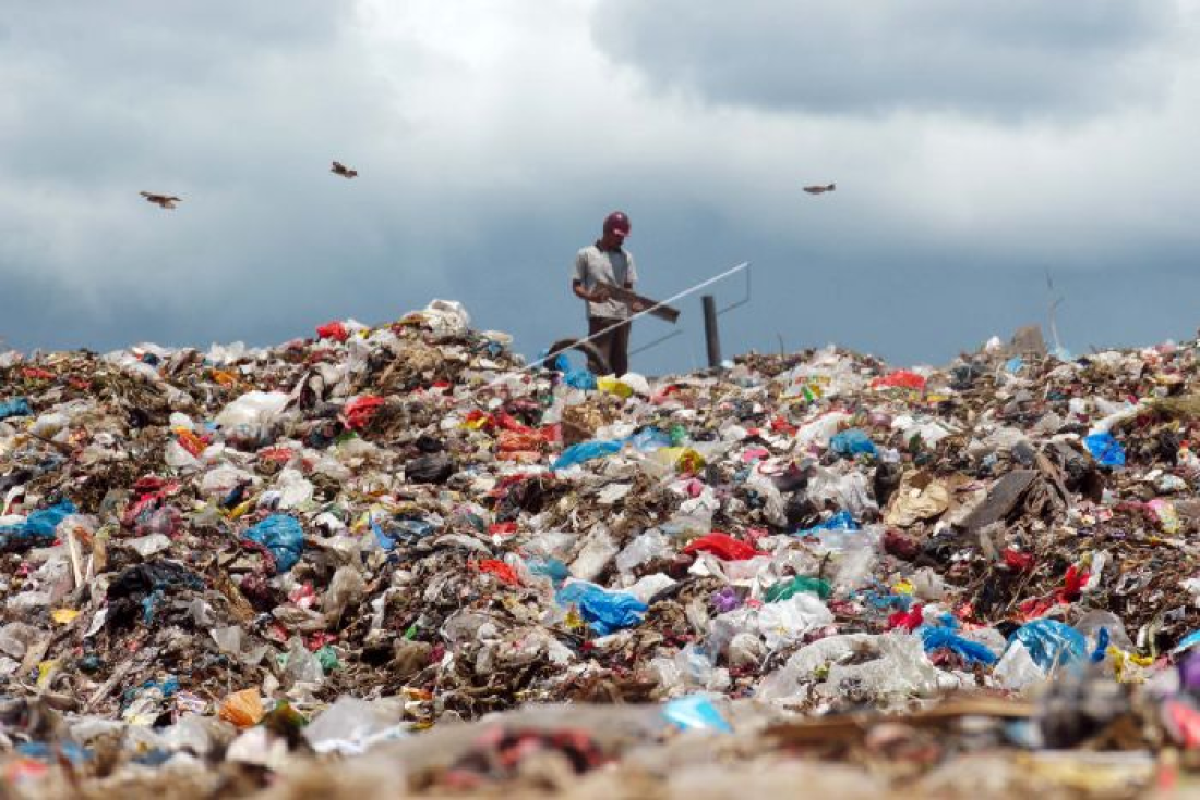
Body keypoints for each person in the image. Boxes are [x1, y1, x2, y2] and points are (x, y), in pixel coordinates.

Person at [572, 211, 640, 376]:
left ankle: (618, 399)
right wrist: (592, 297)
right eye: (618, 236)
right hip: (600, 316)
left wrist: (634, 303)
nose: (621, 240)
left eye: (623, 236)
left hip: (622, 317)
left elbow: (629, 287)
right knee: (598, 362)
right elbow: (576, 286)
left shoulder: (627, 257)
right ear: (606, 231)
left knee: (620, 365)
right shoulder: (586, 254)